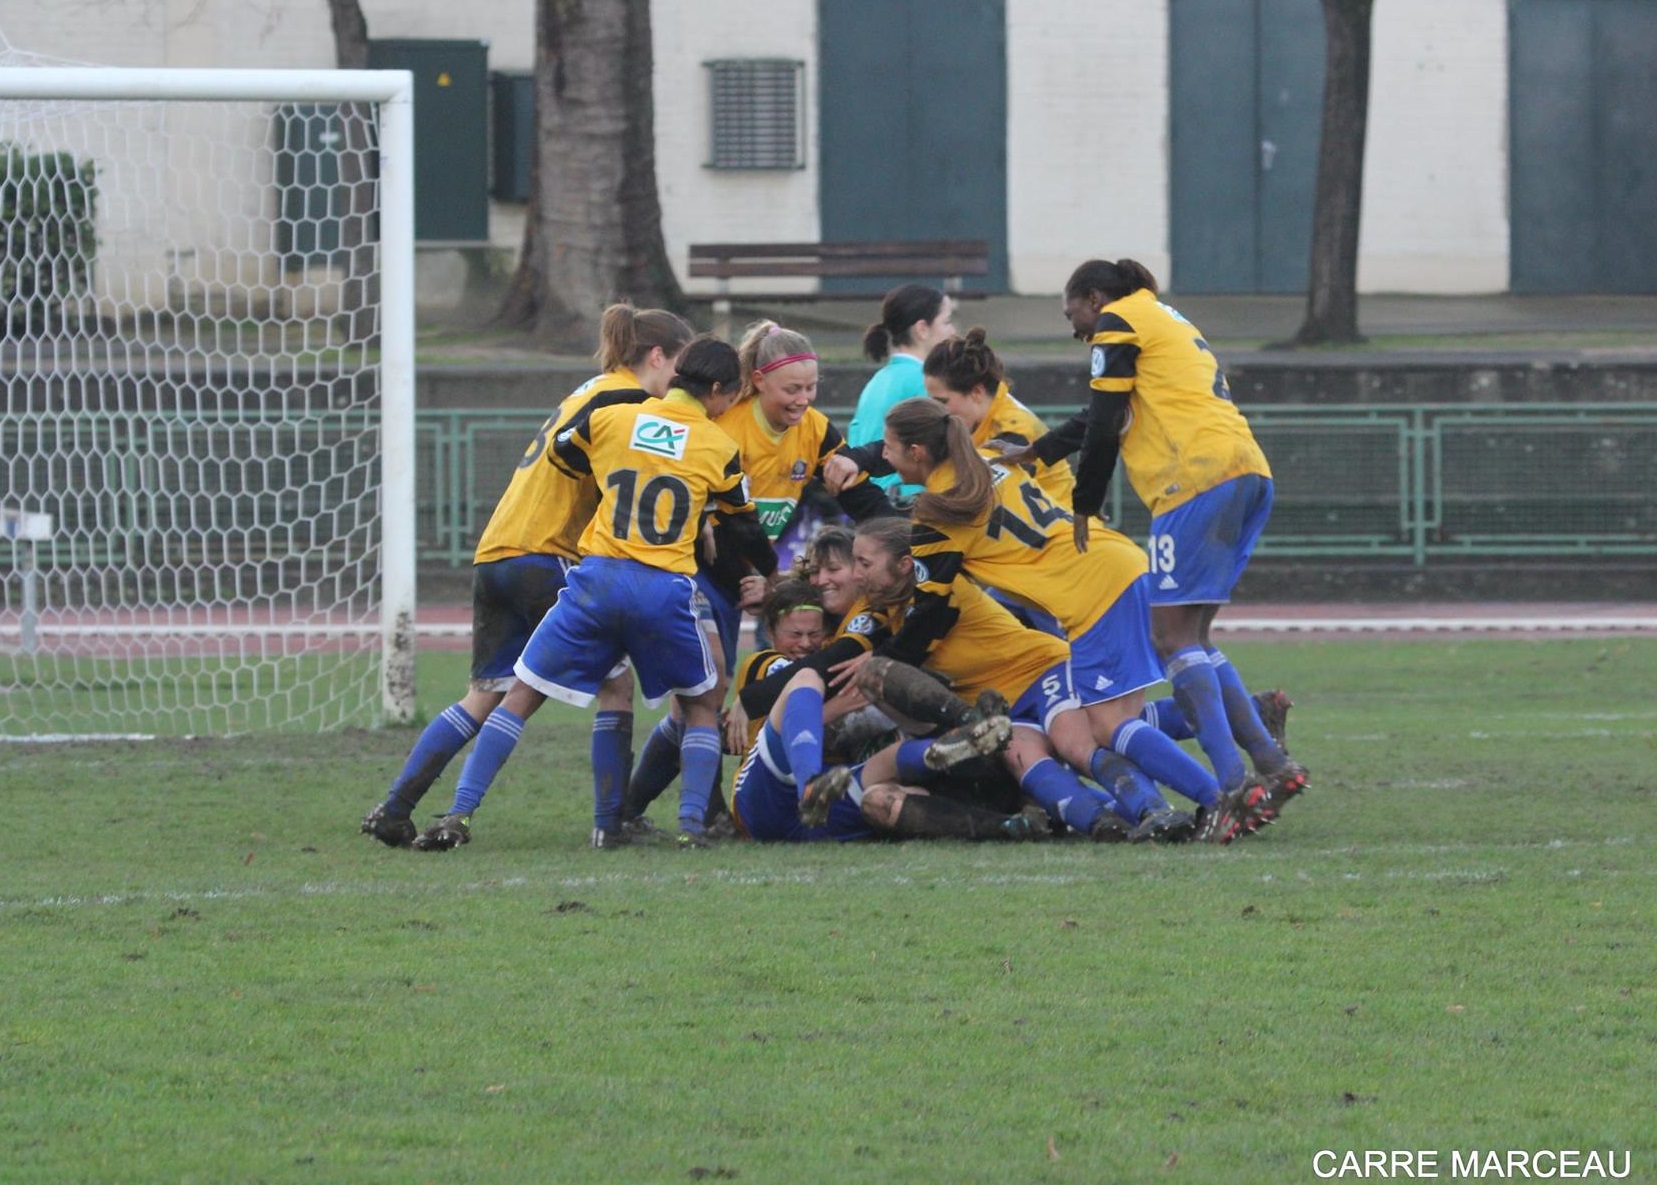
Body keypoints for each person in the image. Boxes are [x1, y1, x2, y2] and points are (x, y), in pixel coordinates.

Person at [411, 336, 776, 851]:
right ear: (715, 390)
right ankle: (691, 828)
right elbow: (745, 527)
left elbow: (564, 451)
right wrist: (772, 569)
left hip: (597, 579)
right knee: (701, 701)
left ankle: (460, 813)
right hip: (662, 588)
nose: (728, 408)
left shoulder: (615, 417)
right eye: (729, 398)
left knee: (519, 696)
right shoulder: (719, 446)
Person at [359, 304, 693, 847]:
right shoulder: (631, 405)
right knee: (616, 683)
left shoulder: (588, 390)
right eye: (678, 370)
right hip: (546, 555)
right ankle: (611, 824)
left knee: (482, 694)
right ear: (657, 357)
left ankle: (395, 807)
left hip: (497, 554)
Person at [1002, 258, 1307, 822]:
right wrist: (1042, 451)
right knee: (1193, 636)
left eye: (1075, 317)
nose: (1078, 332)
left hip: (1192, 480)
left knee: (1168, 637)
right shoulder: (1165, 318)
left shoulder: (1117, 321)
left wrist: (1084, 506)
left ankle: (1235, 785)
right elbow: (1108, 413)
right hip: (1245, 470)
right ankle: (1272, 764)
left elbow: (1104, 425)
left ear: (1094, 299)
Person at [876, 399, 1250, 842]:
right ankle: (1177, 802)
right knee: (1103, 726)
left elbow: (929, 612)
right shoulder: (988, 462)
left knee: (1109, 726)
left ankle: (1218, 800)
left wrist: (886, 661)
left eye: (888, 447)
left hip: (1092, 595)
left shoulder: (937, 513)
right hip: (1116, 562)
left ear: (917, 452)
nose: (883, 455)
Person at [844, 517, 1255, 843]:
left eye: (864, 563)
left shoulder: (934, 595)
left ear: (903, 565)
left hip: (1044, 670)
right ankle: (1105, 824)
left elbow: (908, 645)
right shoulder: (886, 606)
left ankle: (1181, 805)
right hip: (1006, 700)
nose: (854, 573)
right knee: (1022, 759)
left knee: (1077, 745)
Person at [845, 284, 957, 496]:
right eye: (947, 321)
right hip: (908, 505)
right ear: (922, 328)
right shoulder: (926, 382)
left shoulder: (877, 381)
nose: (952, 331)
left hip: (870, 504)